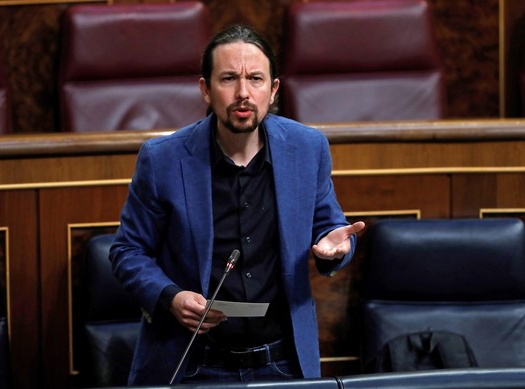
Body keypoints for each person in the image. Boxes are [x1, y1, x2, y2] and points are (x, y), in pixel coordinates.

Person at [109, 24, 365, 385]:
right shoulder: (163, 159)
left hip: (283, 362)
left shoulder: (307, 149)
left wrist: (335, 249)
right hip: (195, 362)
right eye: (228, 78)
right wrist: (171, 297)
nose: (243, 93)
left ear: (273, 89)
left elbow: (332, 230)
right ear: (205, 89)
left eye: (256, 79)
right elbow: (128, 251)